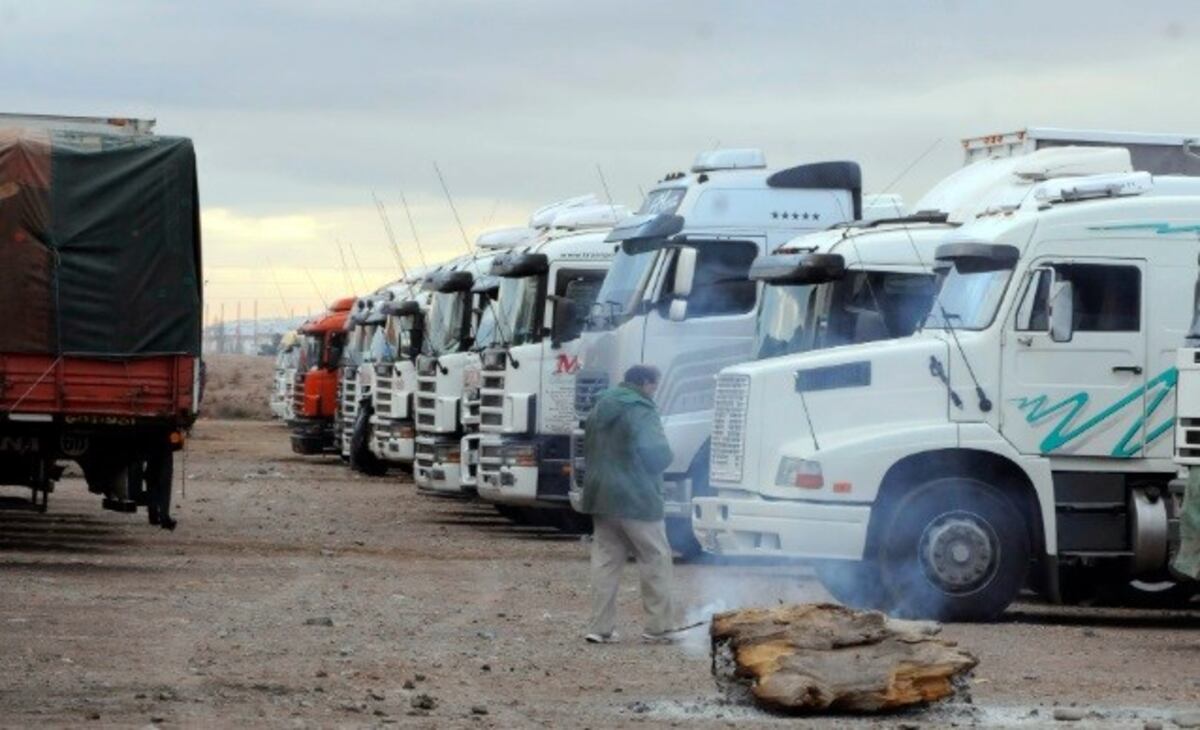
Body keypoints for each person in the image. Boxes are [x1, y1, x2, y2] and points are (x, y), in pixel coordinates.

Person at [578, 364, 677, 644]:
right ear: (644, 383)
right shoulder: (640, 409)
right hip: (637, 498)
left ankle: (599, 628)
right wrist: (668, 455)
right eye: (654, 386)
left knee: (605, 562)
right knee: (655, 559)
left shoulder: (600, 407)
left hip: (601, 497)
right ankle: (658, 628)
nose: (654, 391)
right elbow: (656, 453)